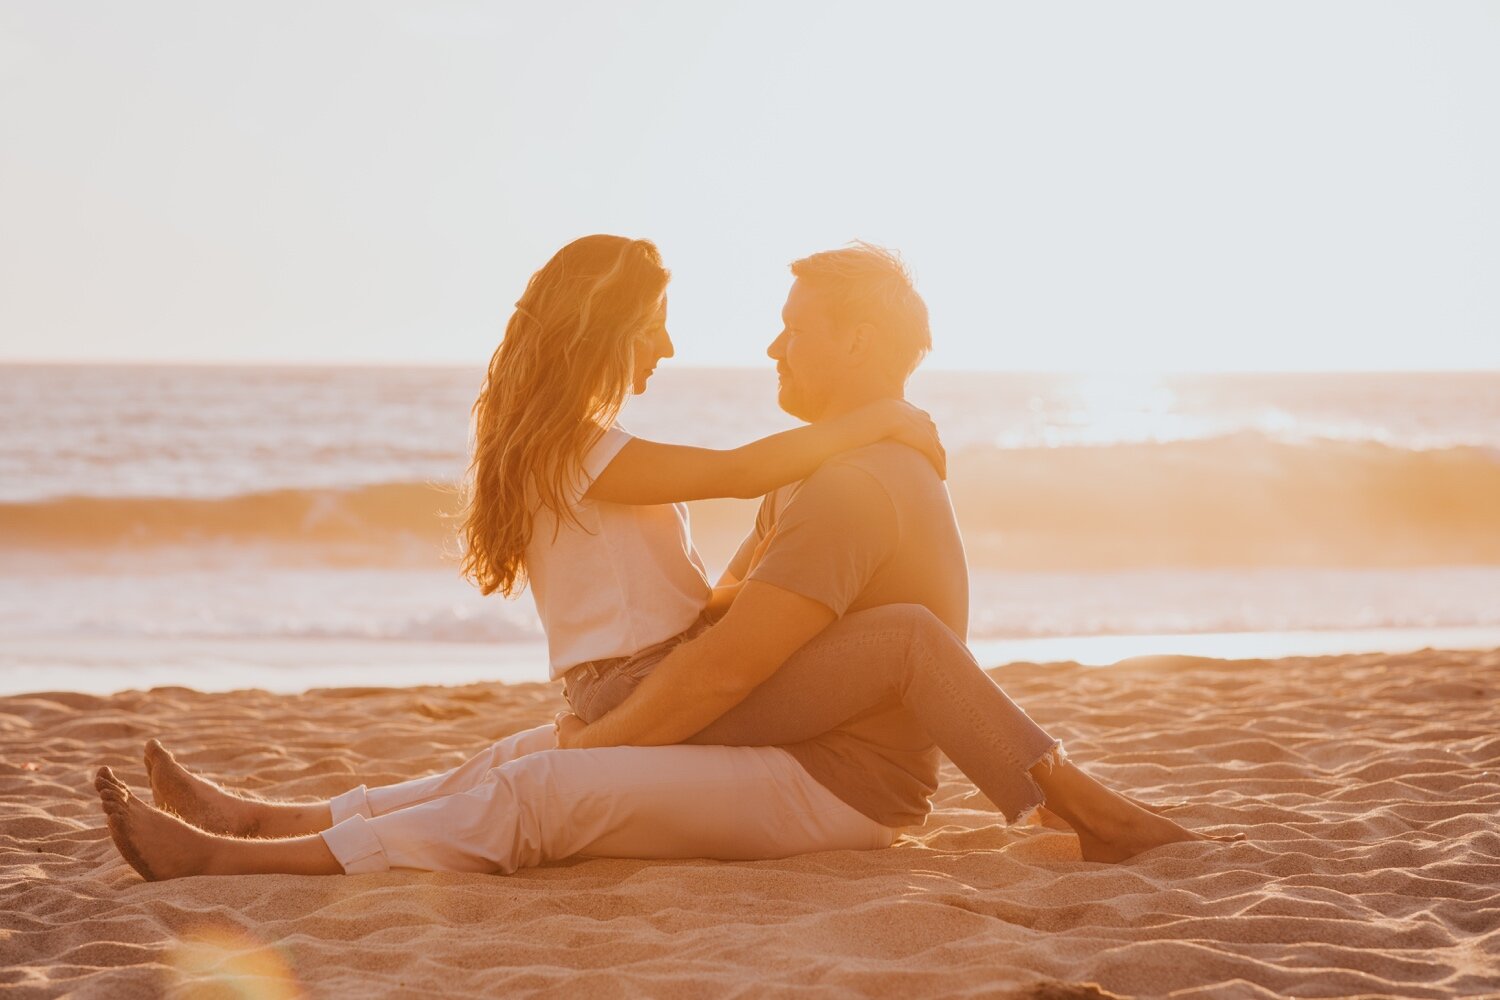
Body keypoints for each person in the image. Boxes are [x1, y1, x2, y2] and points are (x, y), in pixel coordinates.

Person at [96, 242, 1236, 881]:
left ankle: (251, 858)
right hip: (743, 722)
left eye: (793, 323)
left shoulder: (840, 476)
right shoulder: (778, 467)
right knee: (513, 758)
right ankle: (263, 821)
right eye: (660, 326)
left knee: (540, 776)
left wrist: (612, 731)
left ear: (850, 340)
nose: (760, 341)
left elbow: (732, 658)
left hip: (813, 769)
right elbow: (741, 590)